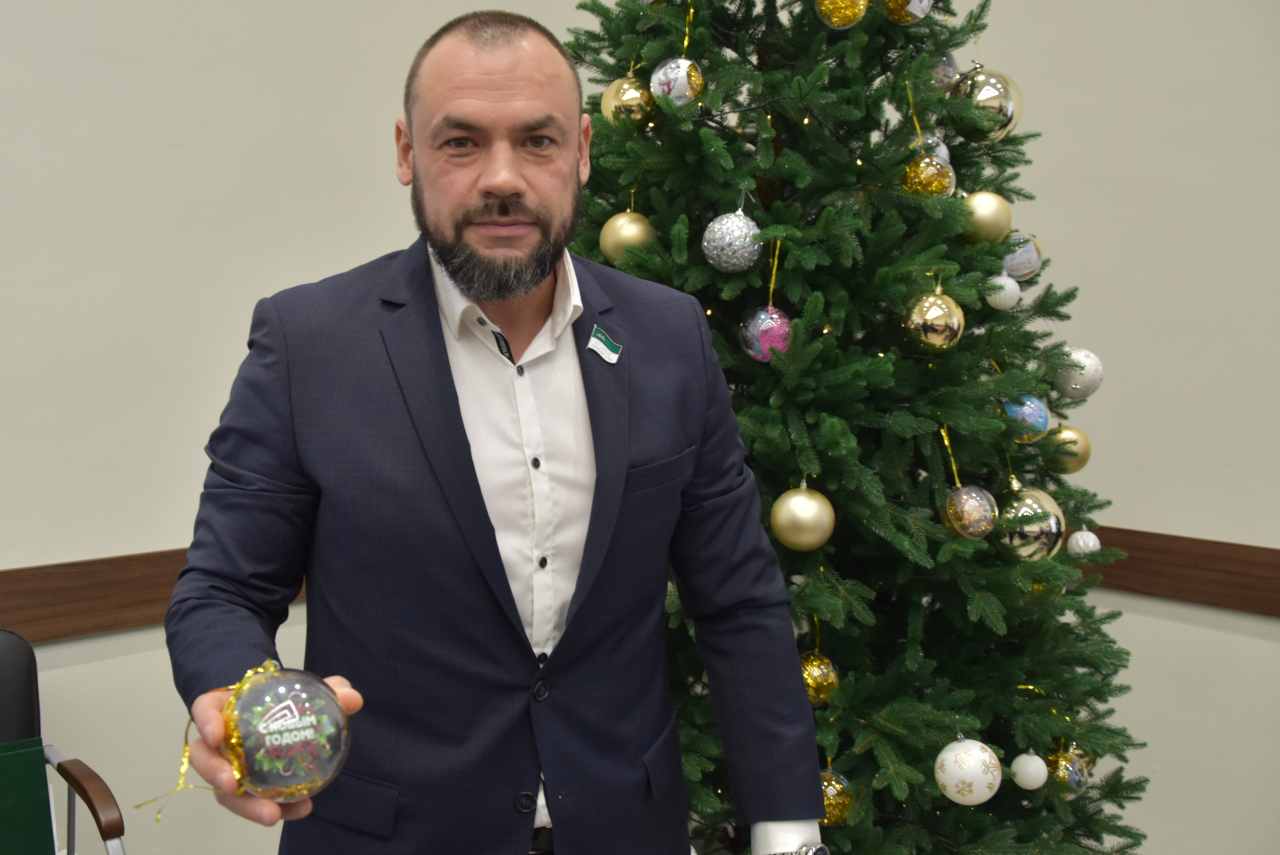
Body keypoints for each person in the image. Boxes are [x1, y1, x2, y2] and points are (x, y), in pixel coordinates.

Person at [166, 11, 827, 855]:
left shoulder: (668, 337)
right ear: (407, 152)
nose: (502, 178)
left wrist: (787, 826)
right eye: (461, 143)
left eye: (538, 141)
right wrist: (237, 701)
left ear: (582, 151)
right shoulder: (309, 344)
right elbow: (224, 588)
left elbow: (737, 601)